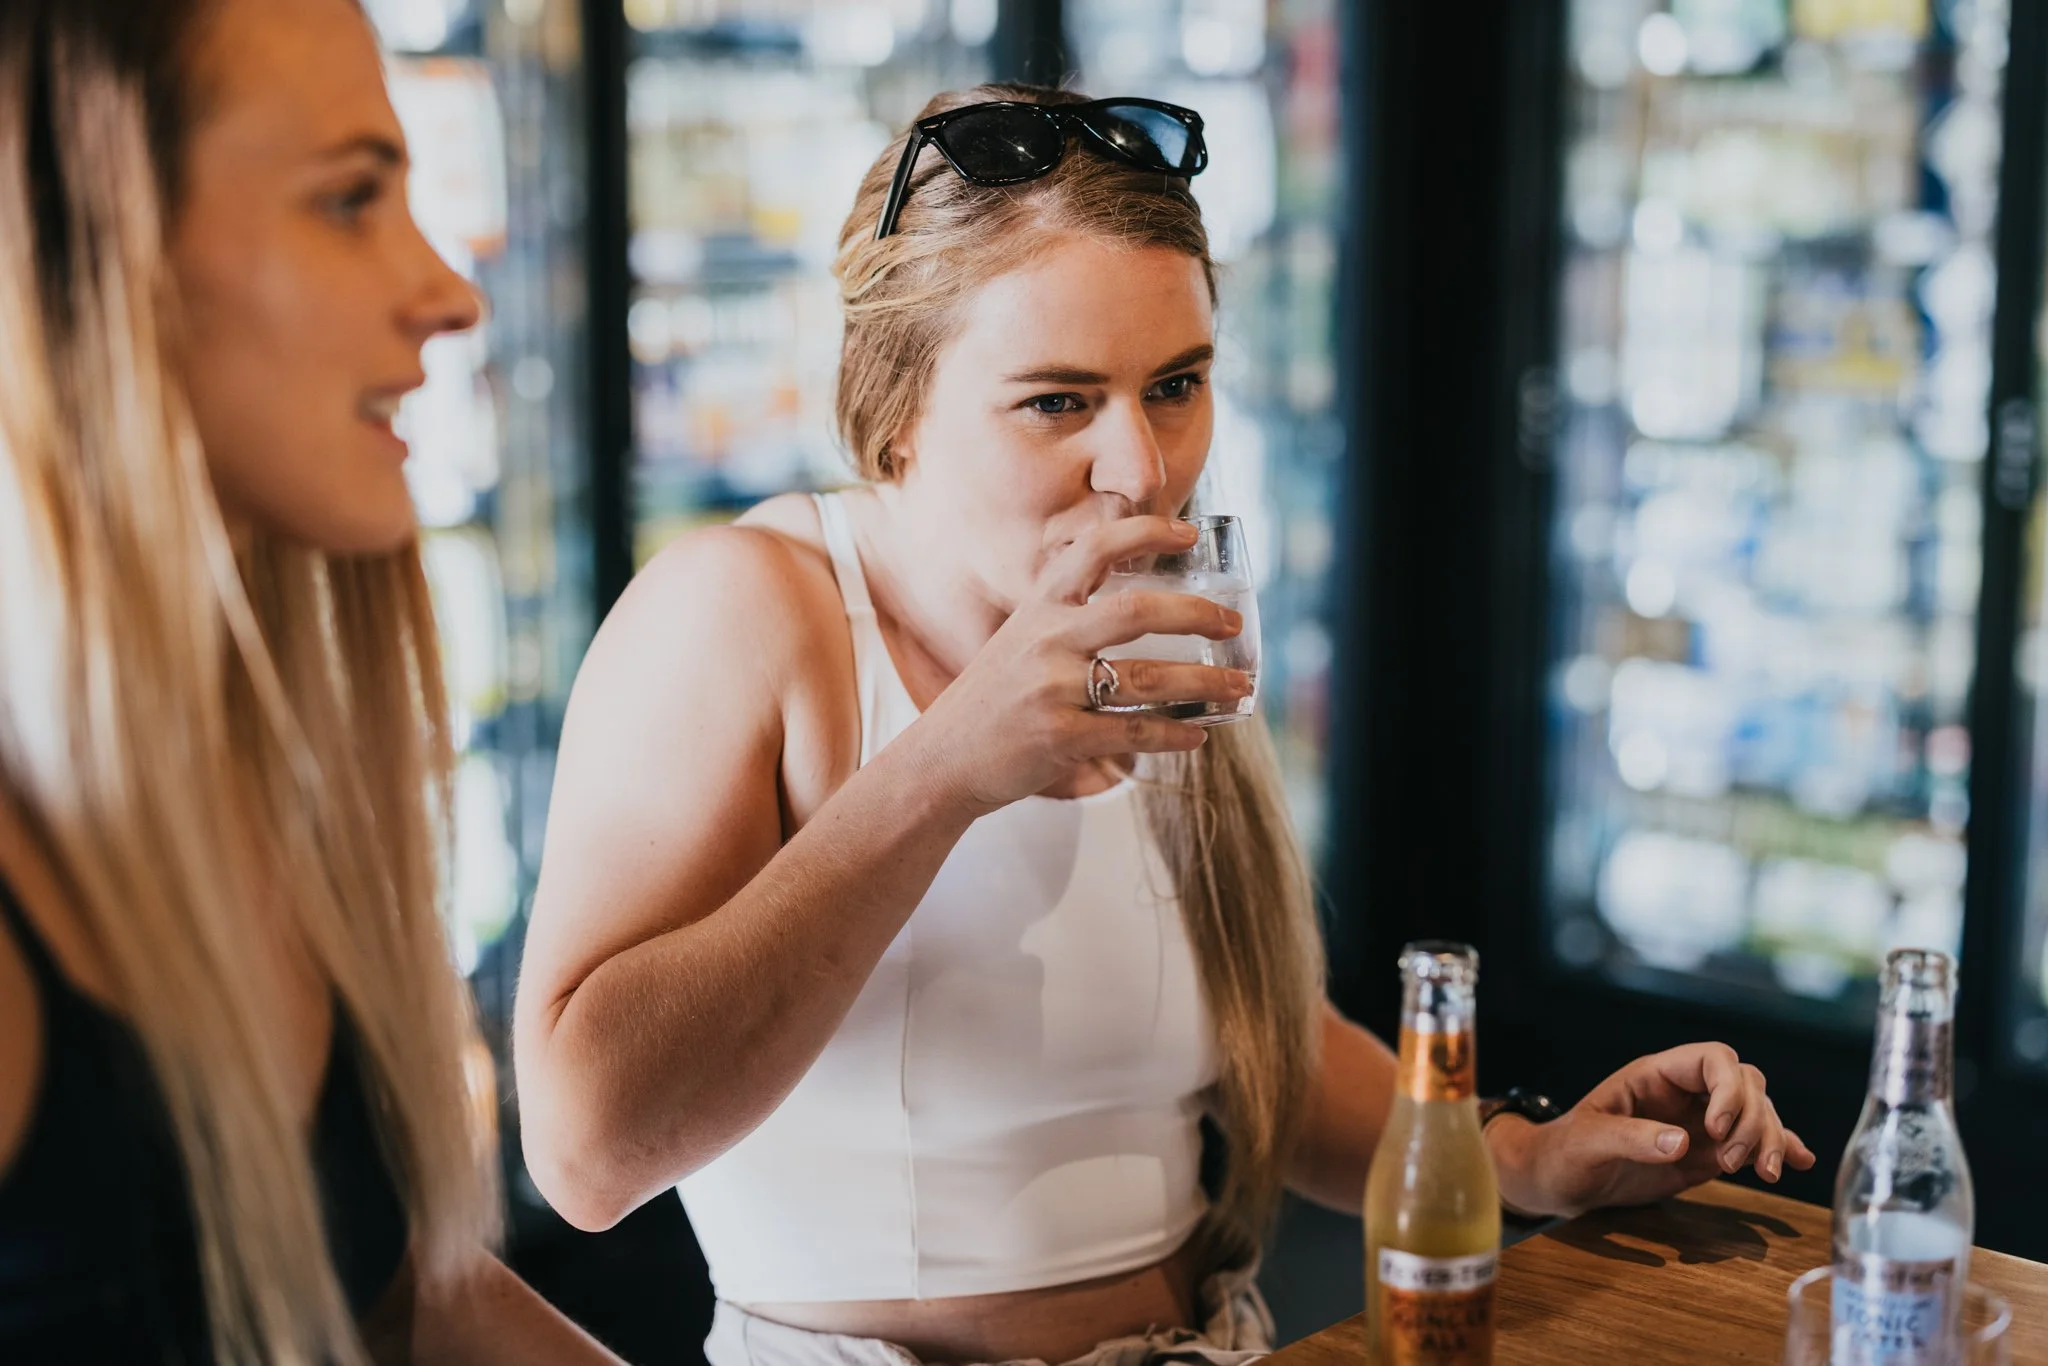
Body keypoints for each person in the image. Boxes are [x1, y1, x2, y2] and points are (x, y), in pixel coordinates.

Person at [513, 84, 1817, 1365]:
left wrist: (1522, 1156)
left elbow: (1250, 1028)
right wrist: (948, 766)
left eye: (1177, 383)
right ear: (895, 407)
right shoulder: (744, 612)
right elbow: (585, 1152)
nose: (1141, 468)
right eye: (1057, 401)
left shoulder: (1144, 620)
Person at [0, 1, 627, 1361]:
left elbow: (408, 1301)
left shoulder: (249, 771)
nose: (448, 293)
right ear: (79, 247)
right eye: (350, 199)